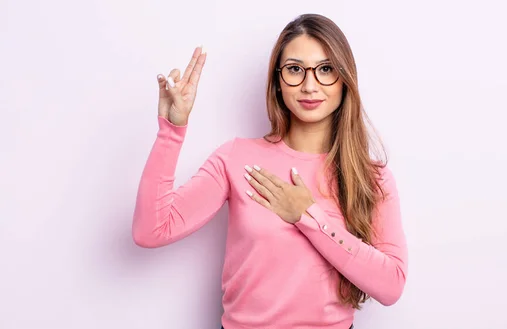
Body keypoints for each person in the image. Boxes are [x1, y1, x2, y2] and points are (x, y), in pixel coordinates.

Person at [132, 13, 408, 329]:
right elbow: (150, 231)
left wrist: (310, 216)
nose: (309, 85)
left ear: (345, 80)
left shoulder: (369, 177)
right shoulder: (236, 158)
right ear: (277, 81)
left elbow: (392, 286)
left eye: (326, 69)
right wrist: (172, 130)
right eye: (294, 69)